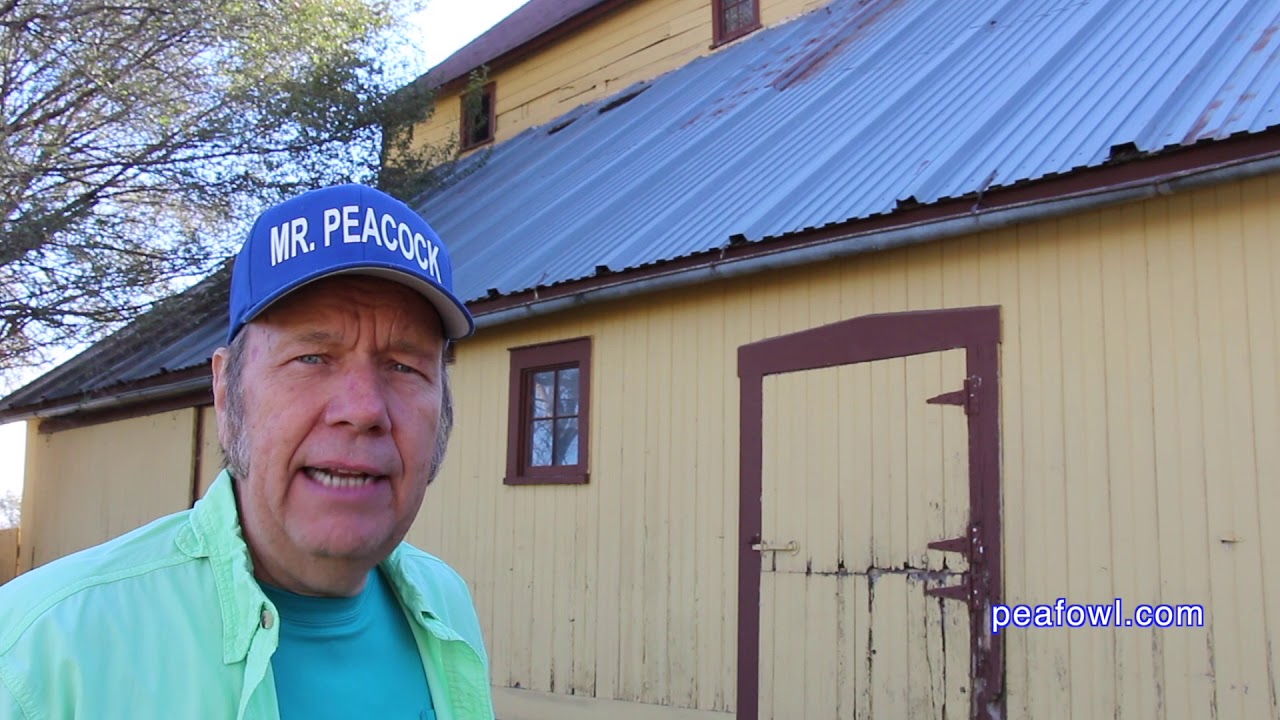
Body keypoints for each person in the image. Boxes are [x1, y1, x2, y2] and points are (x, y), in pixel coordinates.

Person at [0, 184, 495, 719]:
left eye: (404, 366)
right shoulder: (40, 653)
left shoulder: (445, 605)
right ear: (225, 389)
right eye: (312, 357)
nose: (364, 409)